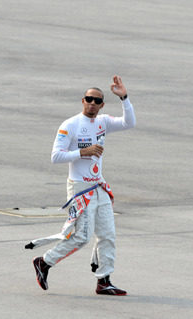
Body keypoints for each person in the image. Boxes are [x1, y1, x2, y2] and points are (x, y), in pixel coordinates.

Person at [31, 75, 136, 295]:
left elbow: (129, 123)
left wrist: (124, 97)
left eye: (97, 100)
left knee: (108, 235)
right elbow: (55, 157)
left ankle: (104, 280)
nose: (92, 103)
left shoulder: (102, 122)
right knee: (82, 237)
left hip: (99, 186)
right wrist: (82, 152)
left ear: (102, 105)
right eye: (89, 99)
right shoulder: (70, 125)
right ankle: (44, 262)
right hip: (80, 189)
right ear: (82, 101)